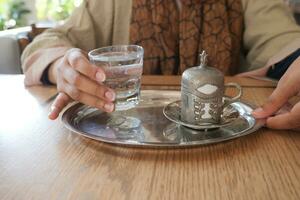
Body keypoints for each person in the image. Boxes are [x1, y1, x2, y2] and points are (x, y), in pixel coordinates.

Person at [21, 0, 300, 130]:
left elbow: (285, 45)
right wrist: (63, 66)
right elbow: (48, 43)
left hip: (225, 148)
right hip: (122, 132)